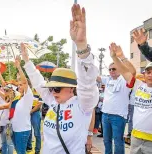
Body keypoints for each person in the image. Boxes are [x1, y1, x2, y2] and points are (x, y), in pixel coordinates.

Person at [22, 4, 98, 153]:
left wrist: (81, 45)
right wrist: (26, 61)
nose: (52, 92)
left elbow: (87, 83)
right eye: (51, 88)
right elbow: (38, 82)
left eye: (56, 88)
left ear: (71, 88)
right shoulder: (52, 100)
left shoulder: (83, 105)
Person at [109, 42, 152, 154]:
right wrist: (114, 57)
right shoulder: (138, 86)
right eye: (148, 72)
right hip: (136, 140)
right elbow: (125, 71)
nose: (151, 75)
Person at [96, 45, 136, 154]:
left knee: (118, 142)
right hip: (105, 115)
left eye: (114, 68)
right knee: (106, 140)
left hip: (118, 117)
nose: (111, 71)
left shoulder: (124, 80)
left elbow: (132, 72)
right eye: (110, 69)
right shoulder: (107, 79)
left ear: (119, 68)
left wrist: (120, 57)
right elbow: (95, 76)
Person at [27, 82, 43, 153]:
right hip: (28, 113)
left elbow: (39, 105)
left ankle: (37, 150)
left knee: (37, 133)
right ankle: (29, 147)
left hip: (35, 113)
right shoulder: (28, 92)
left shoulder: (40, 92)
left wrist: (30, 112)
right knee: (28, 131)